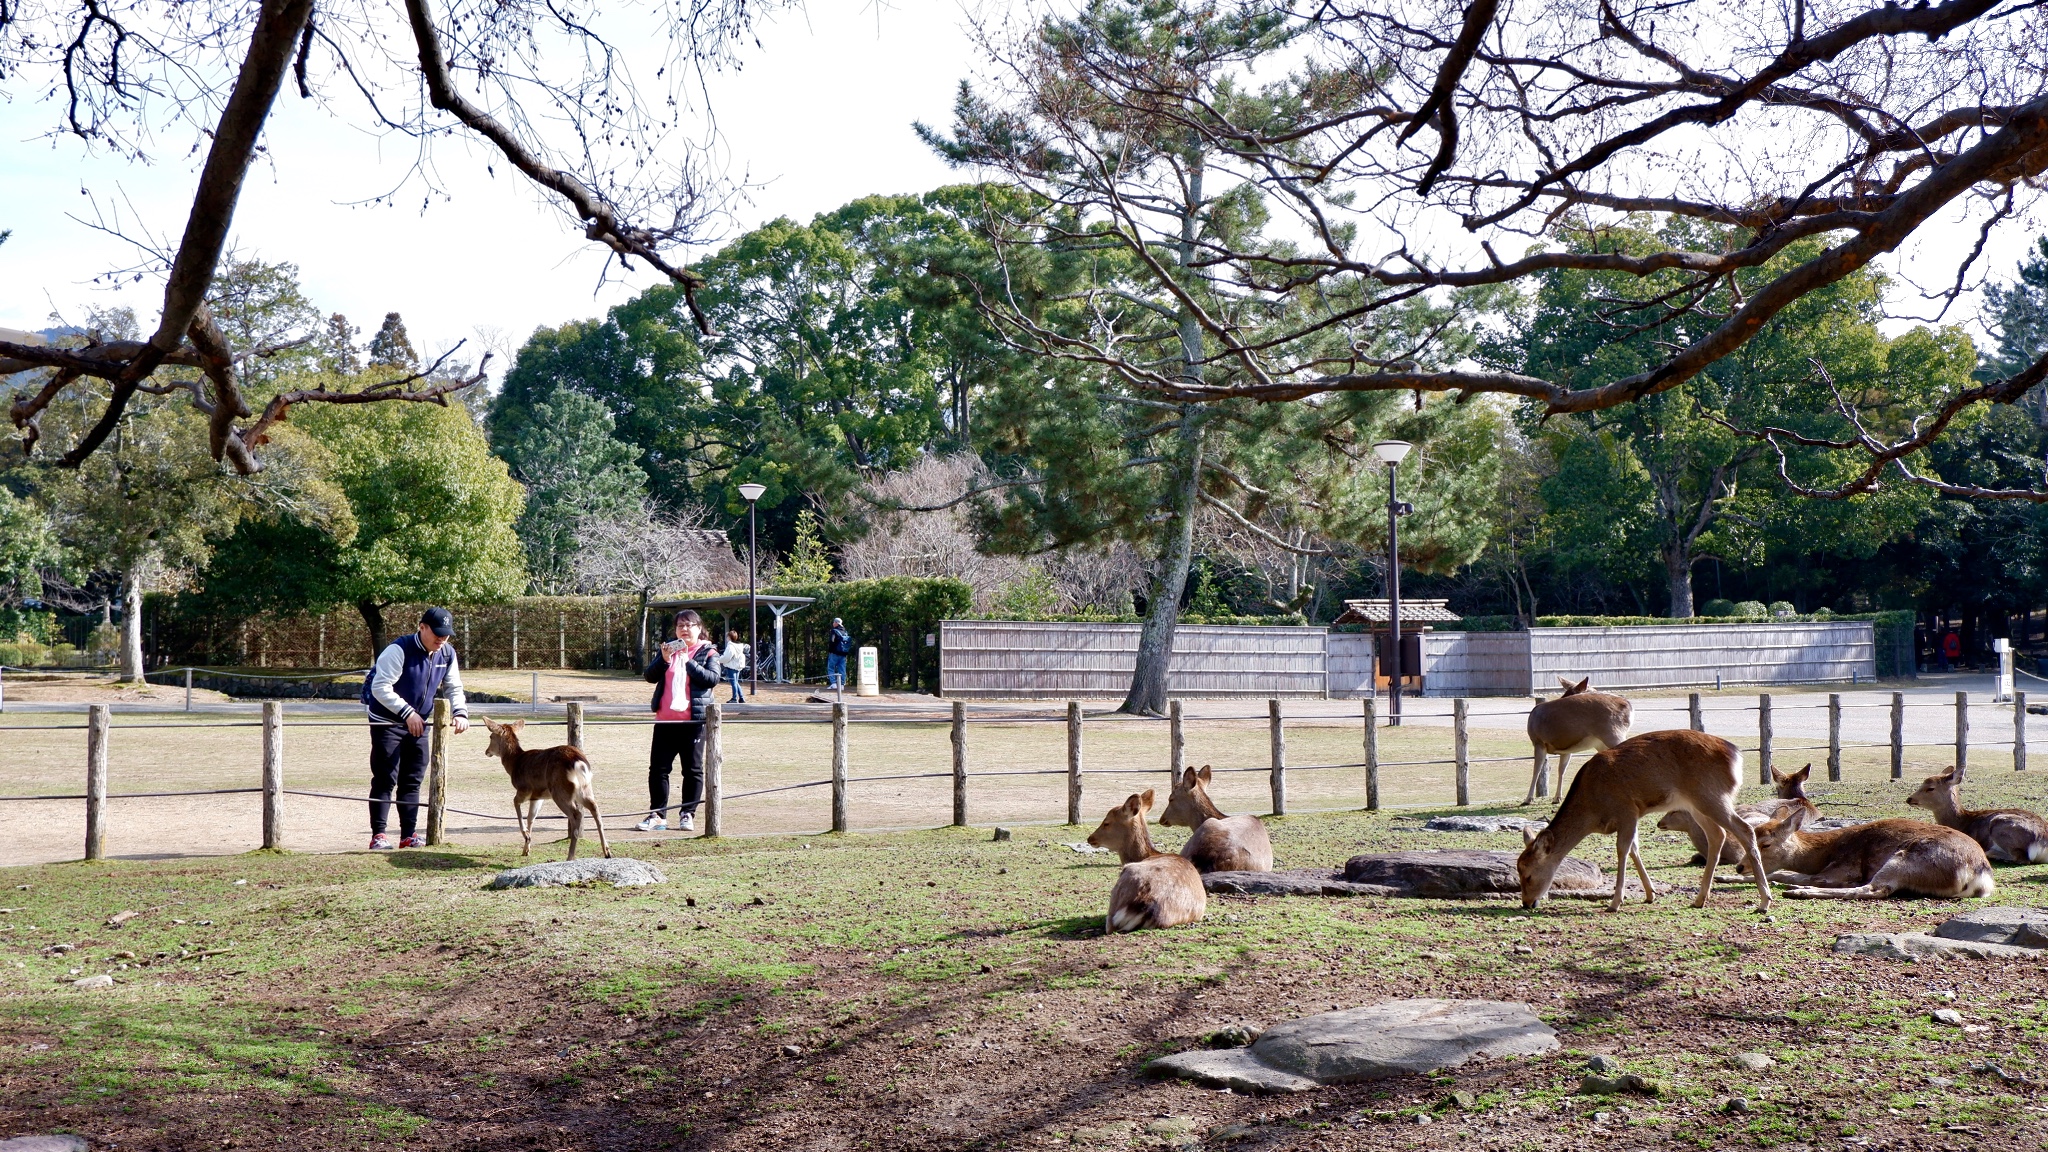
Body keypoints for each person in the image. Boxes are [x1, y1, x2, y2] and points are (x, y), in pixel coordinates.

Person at [360, 607, 468, 850]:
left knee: (412, 780)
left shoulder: (447, 654)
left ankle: (408, 835)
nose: (442, 639)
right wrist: (407, 713)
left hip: (420, 724)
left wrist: (460, 712)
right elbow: (381, 687)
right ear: (422, 627)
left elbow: (454, 688)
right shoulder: (398, 650)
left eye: (446, 634)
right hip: (387, 722)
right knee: (385, 778)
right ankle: (379, 835)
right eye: (437, 633)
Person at [638, 610, 723, 832]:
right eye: (679, 626)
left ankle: (687, 813)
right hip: (665, 721)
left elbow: (712, 679)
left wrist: (688, 661)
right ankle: (657, 815)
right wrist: (665, 660)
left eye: (689, 625)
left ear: (699, 628)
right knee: (658, 770)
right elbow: (649, 676)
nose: (684, 629)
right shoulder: (669, 649)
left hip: (693, 722)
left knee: (692, 770)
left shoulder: (708, 652)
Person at [719, 628, 750, 703]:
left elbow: (727, 657)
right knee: (736, 682)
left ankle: (734, 698)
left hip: (732, 666)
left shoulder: (730, 646)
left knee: (733, 682)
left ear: (729, 637)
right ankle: (741, 697)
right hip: (738, 666)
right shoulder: (739, 646)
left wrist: (719, 659)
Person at [826, 617, 853, 690]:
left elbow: (832, 641)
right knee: (842, 669)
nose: (833, 623)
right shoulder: (845, 632)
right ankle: (842, 685)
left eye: (834, 622)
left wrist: (830, 650)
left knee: (831, 667)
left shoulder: (834, 631)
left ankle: (834, 684)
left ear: (836, 623)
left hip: (834, 653)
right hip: (843, 653)